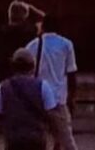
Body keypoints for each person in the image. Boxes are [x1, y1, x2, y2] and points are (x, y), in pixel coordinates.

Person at [0, 48, 60, 150]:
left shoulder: (4, 87)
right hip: (36, 139)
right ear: (33, 66)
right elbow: (53, 116)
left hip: (14, 139)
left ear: (13, 66)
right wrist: (57, 141)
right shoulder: (43, 86)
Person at [24, 14, 79, 150]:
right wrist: (72, 97)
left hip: (38, 98)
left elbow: (26, 74)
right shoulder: (66, 44)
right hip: (58, 98)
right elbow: (71, 73)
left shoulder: (32, 45)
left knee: (36, 138)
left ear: (43, 26)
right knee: (67, 139)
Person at [0, 0, 45, 90]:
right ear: (25, 16)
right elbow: (46, 20)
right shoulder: (30, 32)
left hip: (1, 78)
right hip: (23, 79)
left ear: (9, 14)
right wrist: (32, 8)